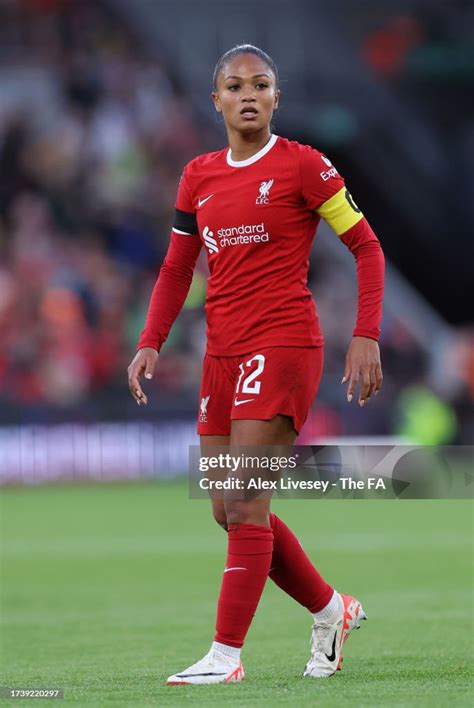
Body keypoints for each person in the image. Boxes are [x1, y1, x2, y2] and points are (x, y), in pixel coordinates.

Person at [127, 44, 384, 686]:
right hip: (221, 351)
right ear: (215, 100)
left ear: (276, 97)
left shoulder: (305, 167)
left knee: (244, 500)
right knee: (231, 509)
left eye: (260, 84)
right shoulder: (198, 176)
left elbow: (367, 247)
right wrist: (150, 339)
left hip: (285, 342)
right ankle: (331, 610)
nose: (248, 94)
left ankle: (225, 656)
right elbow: (176, 267)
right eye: (234, 85)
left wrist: (366, 334)